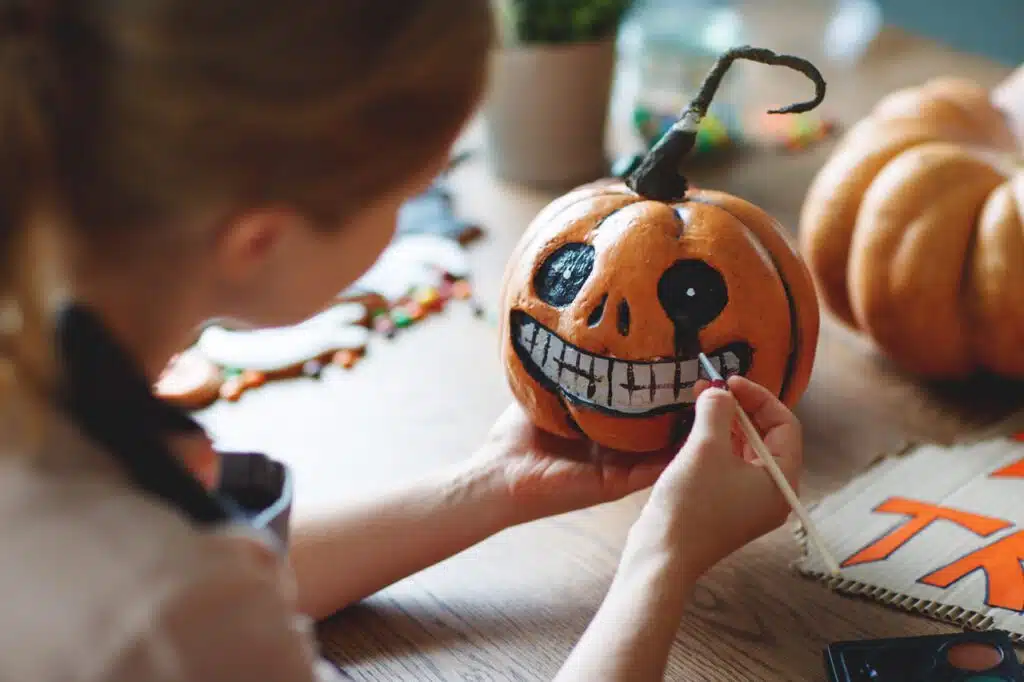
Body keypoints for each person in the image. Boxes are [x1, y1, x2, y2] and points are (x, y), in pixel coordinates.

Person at [0, 1, 802, 680]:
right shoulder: (158, 608)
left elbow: (221, 564)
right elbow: (192, 602)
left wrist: (490, 486)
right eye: (413, 191)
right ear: (261, 239)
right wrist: (663, 557)